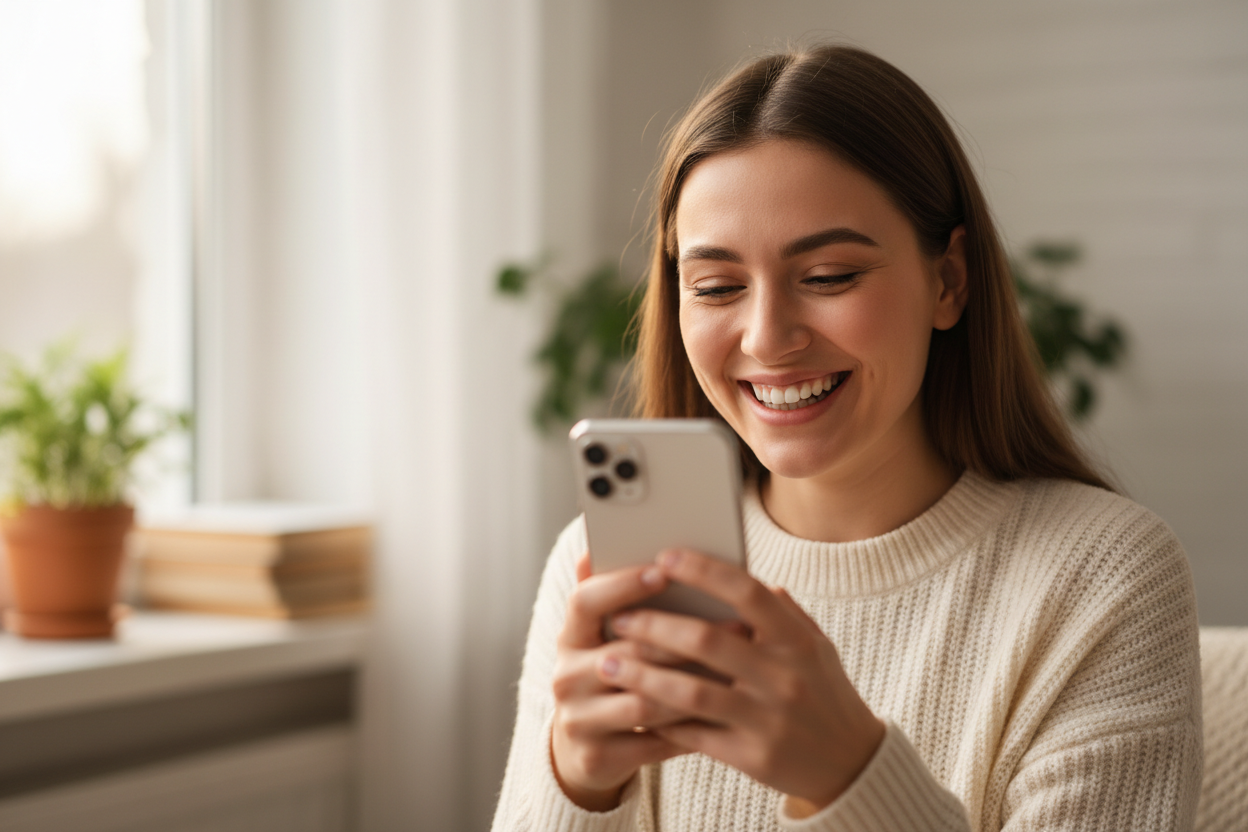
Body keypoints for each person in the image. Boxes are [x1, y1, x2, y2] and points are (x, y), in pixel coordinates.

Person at [491, 44, 1202, 831]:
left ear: (948, 280)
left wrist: (849, 776)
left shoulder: (1104, 578)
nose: (766, 338)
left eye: (828, 276)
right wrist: (578, 787)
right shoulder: (601, 577)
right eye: (718, 287)